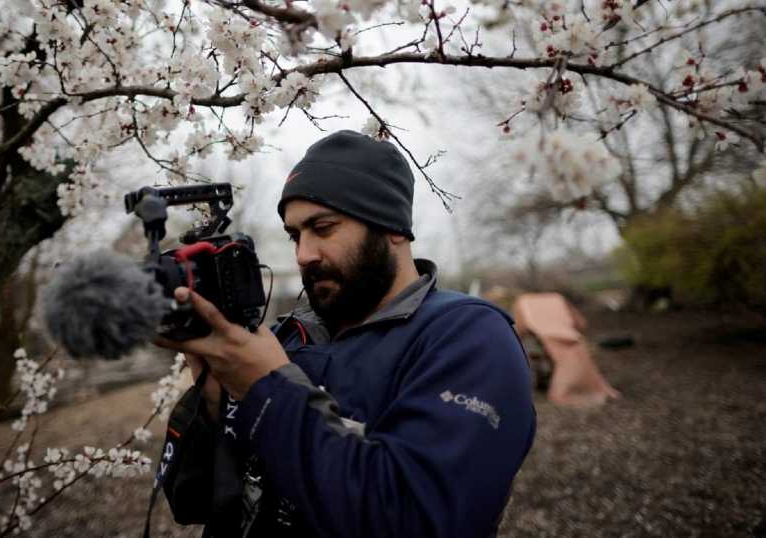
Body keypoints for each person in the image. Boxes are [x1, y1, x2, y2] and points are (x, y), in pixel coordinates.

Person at [155, 130, 536, 538]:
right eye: (295, 235)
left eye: (323, 227)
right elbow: (194, 502)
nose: (304, 254)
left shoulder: (467, 337)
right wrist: (215, 405)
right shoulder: (286, 337)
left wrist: (266, 389)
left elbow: (418, 518)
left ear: (392, 227)